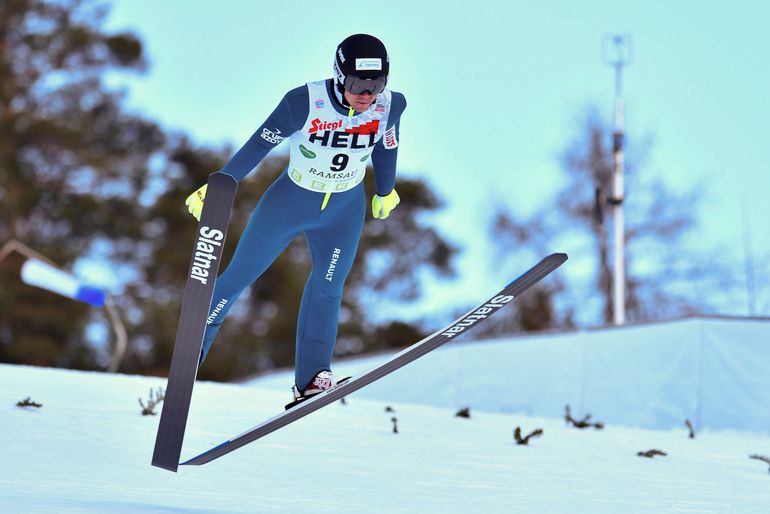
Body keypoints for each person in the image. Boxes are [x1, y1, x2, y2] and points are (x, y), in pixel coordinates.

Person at [184, 34, 406, 407]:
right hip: (290, 201)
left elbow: (387, 146)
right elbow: (260, 143)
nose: (366, 95)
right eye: (356, 85)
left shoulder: (390, 106)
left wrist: (385, 189)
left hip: (344, 209)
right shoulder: (304, 102)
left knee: (329, 288)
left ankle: (313, 378)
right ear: (339, 76)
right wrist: (222, 183)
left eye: (376, 84)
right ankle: (194, 350)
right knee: (241, 274)